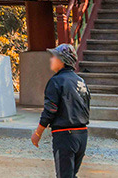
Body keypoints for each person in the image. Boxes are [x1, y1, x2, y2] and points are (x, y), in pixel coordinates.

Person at [31, 44, 90, 178]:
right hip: (82, 134)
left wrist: (38, 133)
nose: (51, 59)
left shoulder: (56, 81)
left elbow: (50, 110)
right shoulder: (81, 81)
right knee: (71, 174)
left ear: (63, 60)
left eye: (54, 57)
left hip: (65, 135)